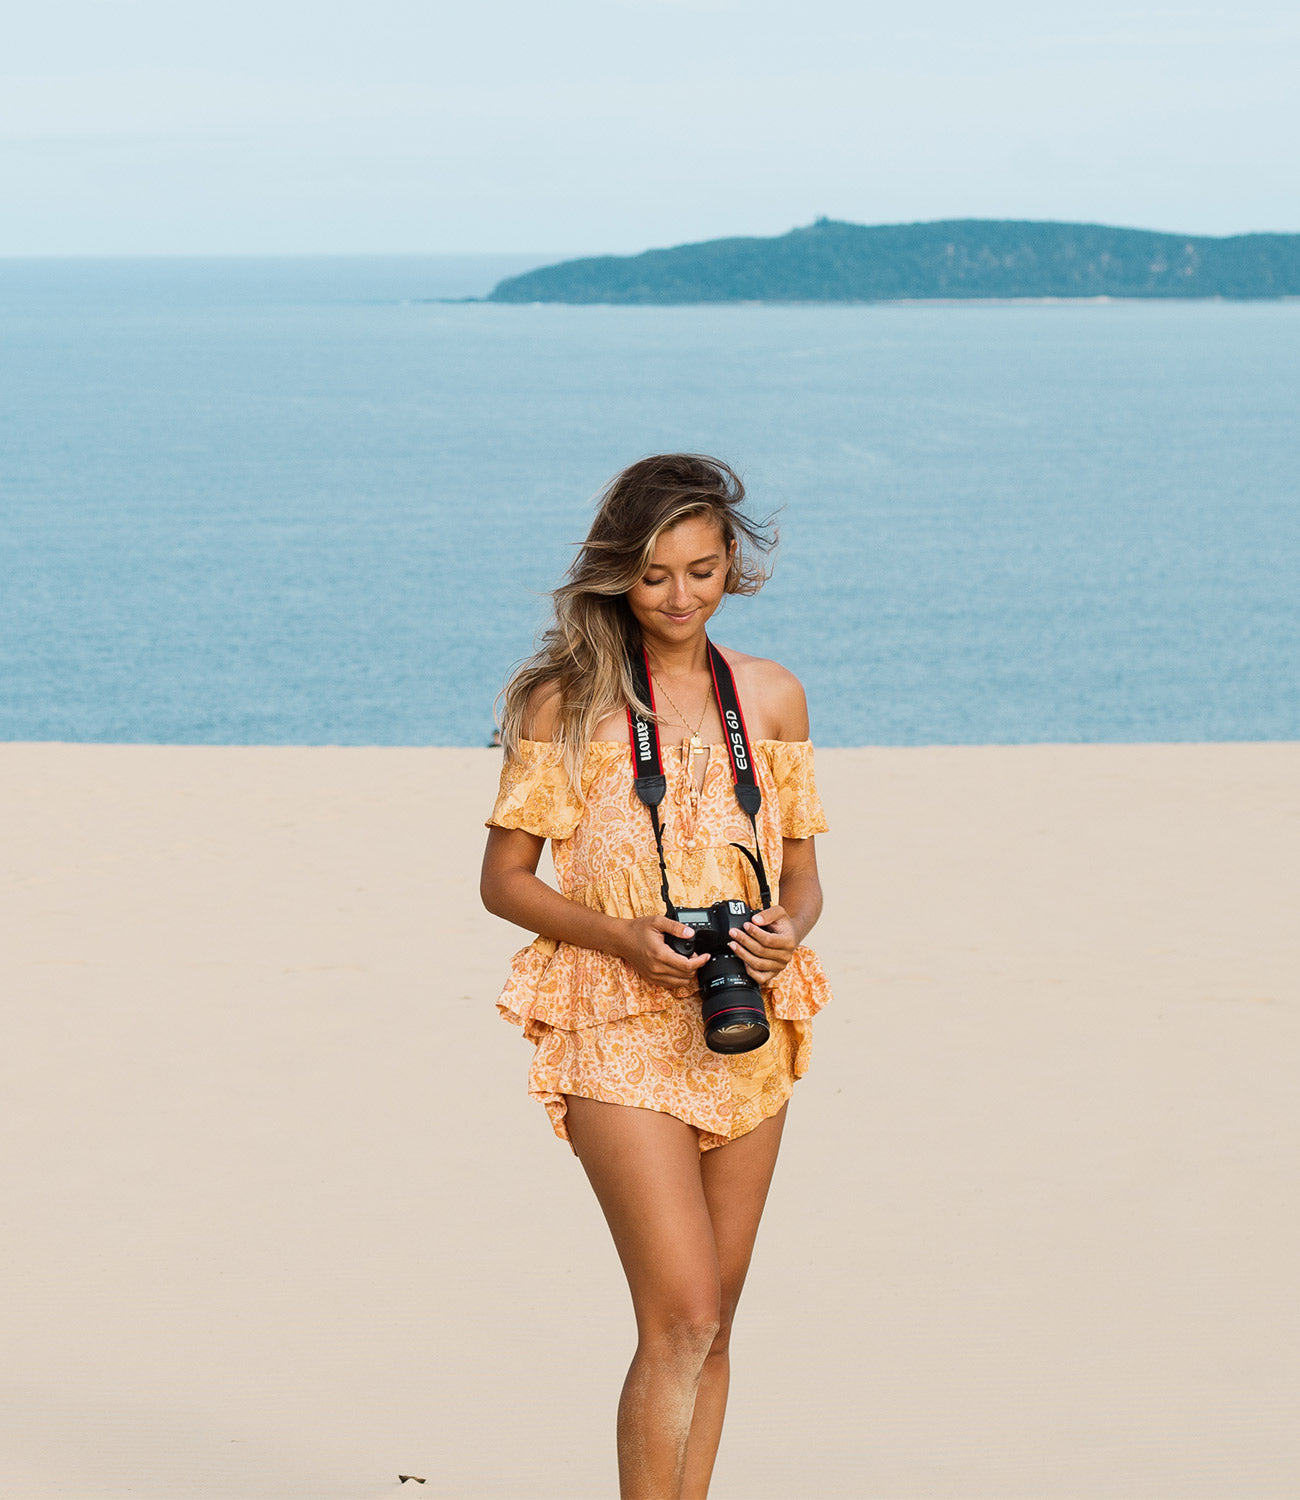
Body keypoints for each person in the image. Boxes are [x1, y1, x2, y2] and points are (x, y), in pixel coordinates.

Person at [479, 454, 832, 1500]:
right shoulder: (562, 702)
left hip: (743, 1016)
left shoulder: (770, 697)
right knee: (677, 1311)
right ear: (615, 576)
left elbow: (804, 876)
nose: (680, 598)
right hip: (615, 1016)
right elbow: (502, 881)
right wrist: (622, 935)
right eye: (653, 576)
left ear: (735, 569)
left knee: (715, 1321)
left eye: (702, 571)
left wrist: (783, 930)